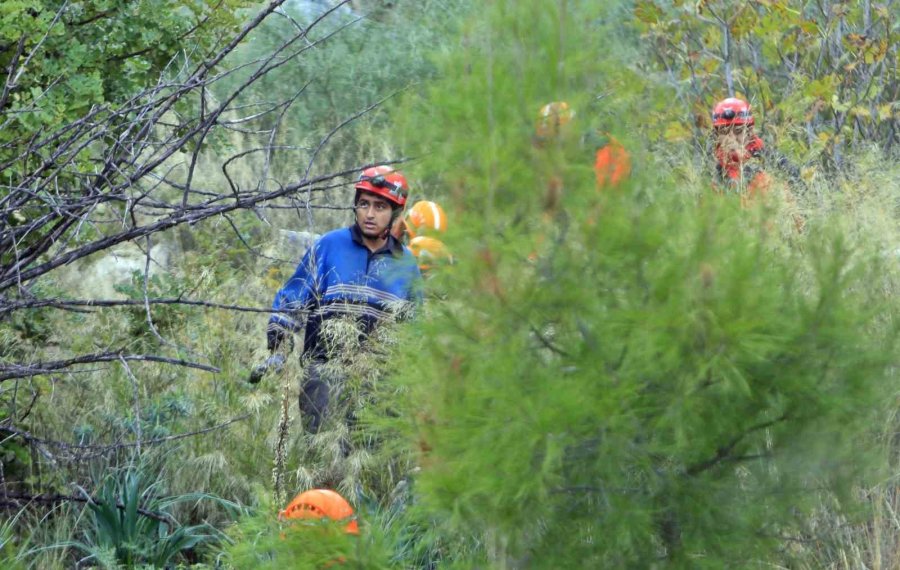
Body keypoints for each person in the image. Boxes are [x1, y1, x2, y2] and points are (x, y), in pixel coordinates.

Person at [252, 165, 422, 432]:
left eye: (380, 207)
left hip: (379, 382)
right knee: (323, 463)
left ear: (395, 214)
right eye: (363, 204)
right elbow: (294, 298)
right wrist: (279, 348)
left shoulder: (406, 264)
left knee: (369, 467)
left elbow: (415, 327)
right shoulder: (329, 246)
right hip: (323, 372)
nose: (369, 214)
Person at [710, 96, 804, 230]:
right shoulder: (713, 175)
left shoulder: (775, 164)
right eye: (724, 132)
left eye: (738, 131)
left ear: (749, 132)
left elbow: (799, 210)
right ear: (717, 136)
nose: (731, 138)